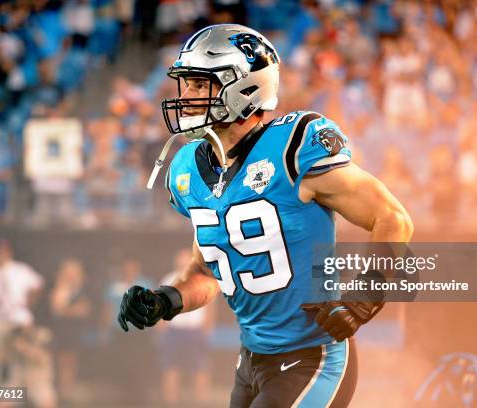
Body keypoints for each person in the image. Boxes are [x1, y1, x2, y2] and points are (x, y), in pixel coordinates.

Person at [118, 24, 413, 407]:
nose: (184, 96)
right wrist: (165, 300)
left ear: (243, 87)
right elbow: (206, 273)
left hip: (313, 357)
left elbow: (392, 217)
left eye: (198, 84)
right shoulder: (187, 168)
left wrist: (365, 296)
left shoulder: (292, 146)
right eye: (185, 84)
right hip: (251, 362)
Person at [0, 239, 44, 387]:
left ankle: (14, 395)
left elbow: (38, 284)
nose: (0, 255)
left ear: (10, 253)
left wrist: (29, 303)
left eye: (3, 251)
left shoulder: (21, 270)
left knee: (17, 359)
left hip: (16, 321)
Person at [158, 248, 214, 406]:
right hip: (173, 331)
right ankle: (171, 403)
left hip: (195, 331)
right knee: (170, 368)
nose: (183, 263)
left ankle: (202, 403)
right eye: (180, 260)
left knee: (200, 369)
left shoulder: (203, 280)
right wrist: (161, 328)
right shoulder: (167, 280)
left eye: (186, 260)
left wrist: (206, 329)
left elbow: (210, 308)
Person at [49, 258, 91, 402]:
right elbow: (57, 308)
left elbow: (84, 310)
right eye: (69, 272)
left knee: (72, 363)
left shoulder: (81, 290)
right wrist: (71, 310)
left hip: (75, 332)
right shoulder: (60, 288)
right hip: (62, 332)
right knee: (61, 362)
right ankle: (61, 393)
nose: (71, 274)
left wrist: (68, 310)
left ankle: (68, 392)